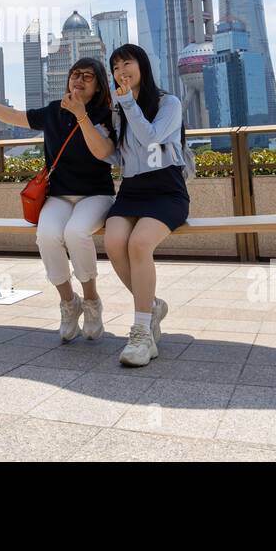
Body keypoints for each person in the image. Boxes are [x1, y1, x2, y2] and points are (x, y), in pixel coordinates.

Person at [0, 58, 116, 341]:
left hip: (96, 194)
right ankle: (70, 303)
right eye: (74, 75)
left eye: (88, 77)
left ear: (98, 87)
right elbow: (15, 116)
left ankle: (92, 301)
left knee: (76, 232)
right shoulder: (54, 112)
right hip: (59, 194)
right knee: (46, 234)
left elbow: (102, 152)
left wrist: (82, 116)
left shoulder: (106, 115)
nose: (79, 80)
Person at [103, 43, 191, 367]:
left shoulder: (169, 103)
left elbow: (151, 137)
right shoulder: (118, 110)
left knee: (139, 244)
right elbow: (117, 154)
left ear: (142, 66)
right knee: (114, 243)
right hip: (132, 190)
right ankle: (151, 305)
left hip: (167, 190)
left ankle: (141, 334)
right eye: (115, 68)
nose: (121, 72)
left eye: (127, 64)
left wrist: (126, 103)